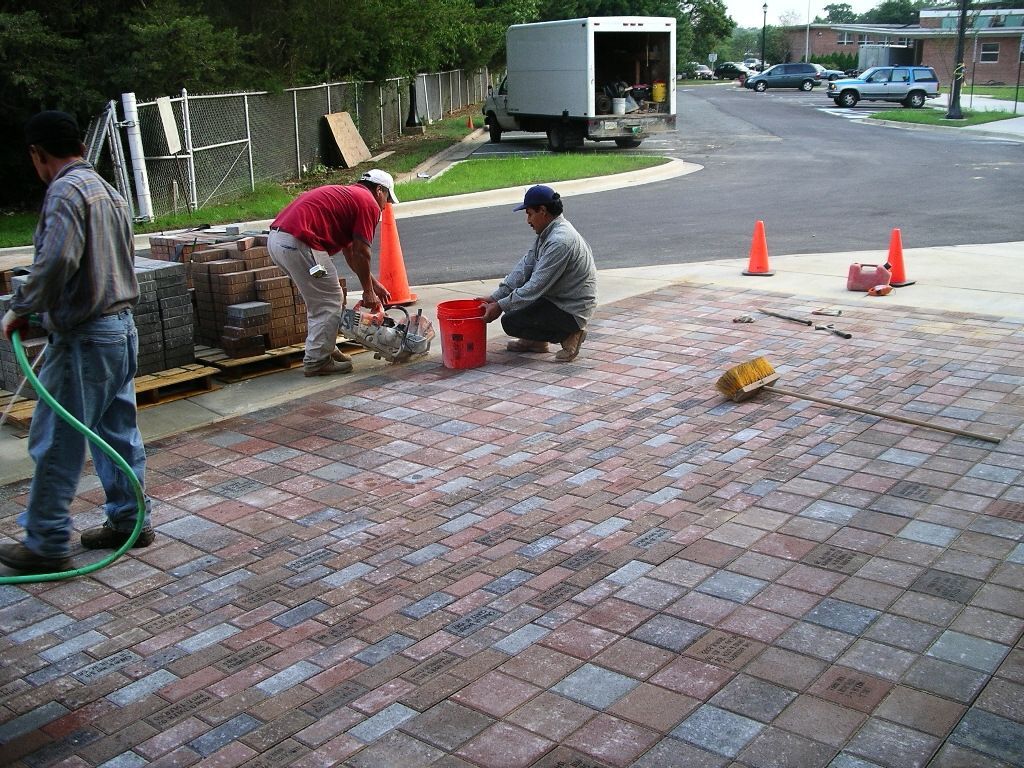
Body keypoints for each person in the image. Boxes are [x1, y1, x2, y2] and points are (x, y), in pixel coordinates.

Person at [0, 110, 154, 574]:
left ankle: (46, 539)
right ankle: (130, 521)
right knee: (117, 433)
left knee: (56, 440)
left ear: (37, 154)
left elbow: (56, 263)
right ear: (82, 148)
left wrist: (20, 308)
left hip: (86, 339)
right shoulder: (108, 192)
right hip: (121, 330)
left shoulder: (65, 191)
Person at [267, 170, 397, 376]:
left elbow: (351, 253)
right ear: (379, 190)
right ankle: (317, 361)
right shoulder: (368, 203)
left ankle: (324, 346)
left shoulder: (350, 197)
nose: (385, 205)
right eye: (387, 199)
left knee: (321, 300)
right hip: (300, 243)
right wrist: (367, 292)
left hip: (278, 241)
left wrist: (373, 285)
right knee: (329, 300)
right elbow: (362, 252)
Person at [478, 184, 597, 362]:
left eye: (529, 213)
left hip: (572, 308)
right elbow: (524, 267)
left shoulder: (560, 241)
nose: (528, 220)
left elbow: (535, 286)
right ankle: (536, 342)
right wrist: (496, 297)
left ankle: (571, 335)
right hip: (557, 299)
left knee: (510, 320)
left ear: (542, 211)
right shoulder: (548, 232)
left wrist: (500, 306)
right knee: (517, 308)